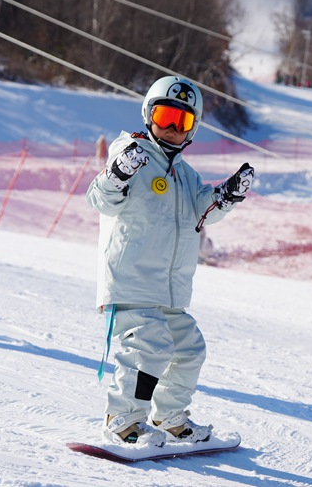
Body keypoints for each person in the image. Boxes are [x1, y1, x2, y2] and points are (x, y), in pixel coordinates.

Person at [86, 76, 255, 447]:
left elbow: (202, 210)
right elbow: (100, 197)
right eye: (166, 117)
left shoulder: (185, 174)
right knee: (148, 347)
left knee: (190, 349)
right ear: (148, 114)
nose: (174, 129)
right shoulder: (131, 152)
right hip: (131, 281)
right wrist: (119, 174)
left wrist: (225, 197)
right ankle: (123, 420)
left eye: (184, 122)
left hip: (169, 289)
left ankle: (170, 417)